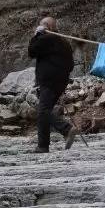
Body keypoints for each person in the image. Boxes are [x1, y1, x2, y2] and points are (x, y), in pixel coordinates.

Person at [28, 17, 78, 153]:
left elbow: (31, 51)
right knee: (45, 111)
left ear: (46, 26)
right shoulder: (64, 42)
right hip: (60, 82)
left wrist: (37, 35)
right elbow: (71, 65)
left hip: (49, 81)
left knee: (43, 111)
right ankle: (43, 146)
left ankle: (66, 129)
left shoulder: (46, 39)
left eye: (42, 25)